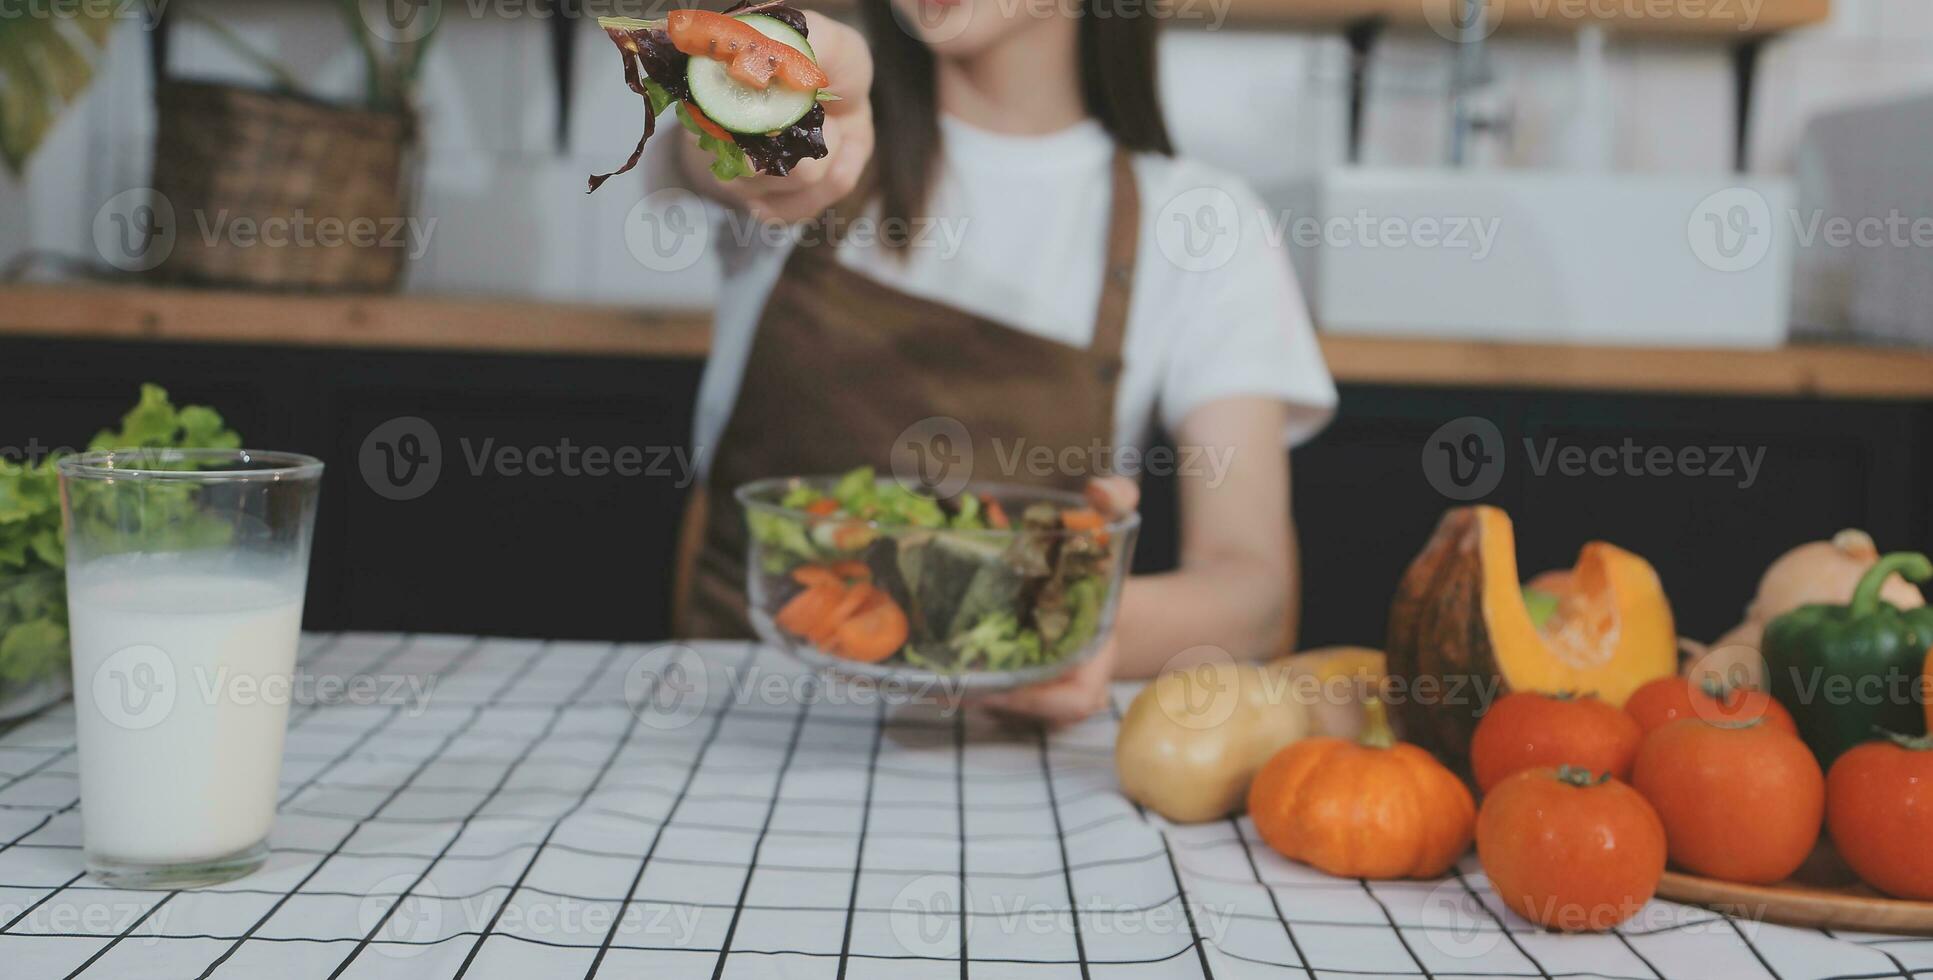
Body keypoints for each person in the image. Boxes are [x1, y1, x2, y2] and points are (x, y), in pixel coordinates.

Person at [663, 0, 1336, 724]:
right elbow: (705, 155)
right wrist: (782, 103)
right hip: (736, 724)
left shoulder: (1205, 224)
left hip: (1000, 759)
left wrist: (1066, 628)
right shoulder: (818, 138)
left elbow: (1254, 596)